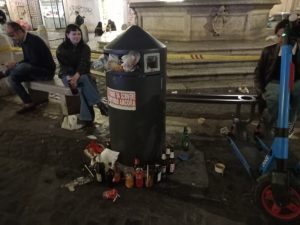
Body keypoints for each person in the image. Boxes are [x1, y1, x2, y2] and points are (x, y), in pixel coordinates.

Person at [254, 19, 300, 137]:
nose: (280, 39)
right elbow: (258, 73)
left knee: (297, 92)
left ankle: (289, 123)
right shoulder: (268, 51)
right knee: (275, 97)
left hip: (295, 82)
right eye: (278, 36)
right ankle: (274, 123)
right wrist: (261, 92)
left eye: (284, 36)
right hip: (275, 82)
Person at [56, 24, 108, 126]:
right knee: (85, 80)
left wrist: (76, 77)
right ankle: (99, 104)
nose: (77, 36)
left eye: (79, 34)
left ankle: (87, 118)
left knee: (81, 88)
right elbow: (65, 67)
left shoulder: (85, 48)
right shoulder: (61, 49)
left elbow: (84, 64)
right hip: (67, 75)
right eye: (74, 34)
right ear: (67, 35)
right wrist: (72, 77)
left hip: (81, 75)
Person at [2, 21, 55, 114]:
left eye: (11, 35)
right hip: (35, 70)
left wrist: (16, 65)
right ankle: (28, 103)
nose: (11, 39)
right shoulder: (24, 41)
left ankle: (3, 73)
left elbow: (35, 62)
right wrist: (16, 64)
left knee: (19, 68)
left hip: (46, 72)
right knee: (12, 78)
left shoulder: (33, 40)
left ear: (18, 31)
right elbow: (28, 59)